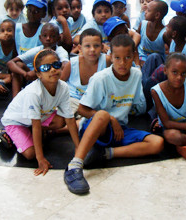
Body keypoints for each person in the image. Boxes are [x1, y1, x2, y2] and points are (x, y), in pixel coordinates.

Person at [63, 35, 164, 195]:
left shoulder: (136, 75)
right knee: (103, 115)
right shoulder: (100, 78)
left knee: (157, 143)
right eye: (117, 58)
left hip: (119, 129)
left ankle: (104, 154)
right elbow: (82, 109)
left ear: (134, 56)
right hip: (98, 127)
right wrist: (111, 119)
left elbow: (136, 105)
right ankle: (74, 166)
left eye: (127, 57)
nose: (122, 63)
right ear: (110, 56)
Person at [1, 49, 79, 176]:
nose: (53, 70)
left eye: (56, 65)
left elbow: (69, 118)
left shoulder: (63, 87)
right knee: (30, 154)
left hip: (39, 117)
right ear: (38, 74)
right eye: (46, 68)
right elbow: (36, 126)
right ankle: (8, 132)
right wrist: (40, 159)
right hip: (17, 121)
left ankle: (30, 134)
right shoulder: (34, 93)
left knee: (61, 120)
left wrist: (78, 147)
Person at [7, 23, 69, 97]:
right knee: (18, 65)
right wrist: (25, 74)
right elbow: (10, 62)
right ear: (40, 38)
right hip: (34, 78)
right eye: (45, 36)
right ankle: (16, 99)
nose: (48, 39)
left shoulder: (61, 51)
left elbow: (66, 66)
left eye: (52, 36)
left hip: (50, 80)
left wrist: (38, 71)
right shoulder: (38, 49)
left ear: (58, 39)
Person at [61, 29, 110, 116]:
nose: (92, 49)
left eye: (96, 46)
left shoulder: (106, 61)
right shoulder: (72, 63)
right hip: (72, 100)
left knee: (98, 118)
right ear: (80, 48)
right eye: (87, 46)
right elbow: (60, 83)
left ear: (102, 47)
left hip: (94, 103)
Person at [137, 0, 170, 64]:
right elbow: (136, 41)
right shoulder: (143, 24)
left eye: (148, 10)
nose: (145, 12)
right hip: (141, 58)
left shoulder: (164, 33)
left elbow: (172, 49)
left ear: (157, 15)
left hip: (157, 62)